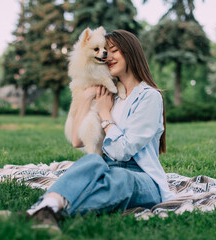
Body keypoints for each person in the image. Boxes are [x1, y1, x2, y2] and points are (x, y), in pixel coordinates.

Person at [25, 29, 174, 231]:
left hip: (142, 177)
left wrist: (105, 115)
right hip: (106, 168)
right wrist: (86, 97)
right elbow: (77, 141)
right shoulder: (107, 91)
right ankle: (43, 209)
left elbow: (123, 151)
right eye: (105, 50)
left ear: (130, 53)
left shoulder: (149, 97)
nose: (107, 56)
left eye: (114, 50)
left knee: (121, 178)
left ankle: (49, 211)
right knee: (92, 160)